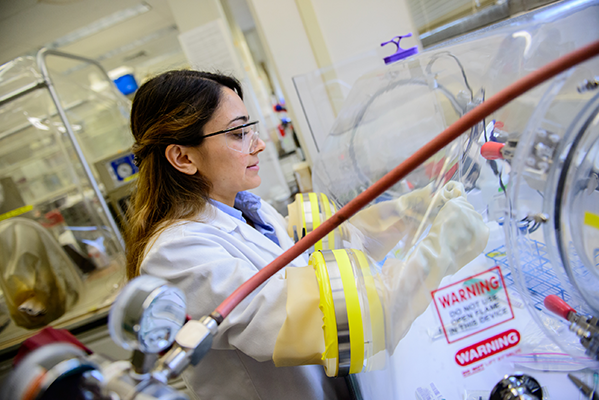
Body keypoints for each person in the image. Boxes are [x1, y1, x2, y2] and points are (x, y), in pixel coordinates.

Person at [125, 70, 350, 400]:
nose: (258, 144)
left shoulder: (249, 210)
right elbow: (297, 321)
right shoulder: (175, 253)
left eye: (251, 129)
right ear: (183, 157)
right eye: (239, 133)